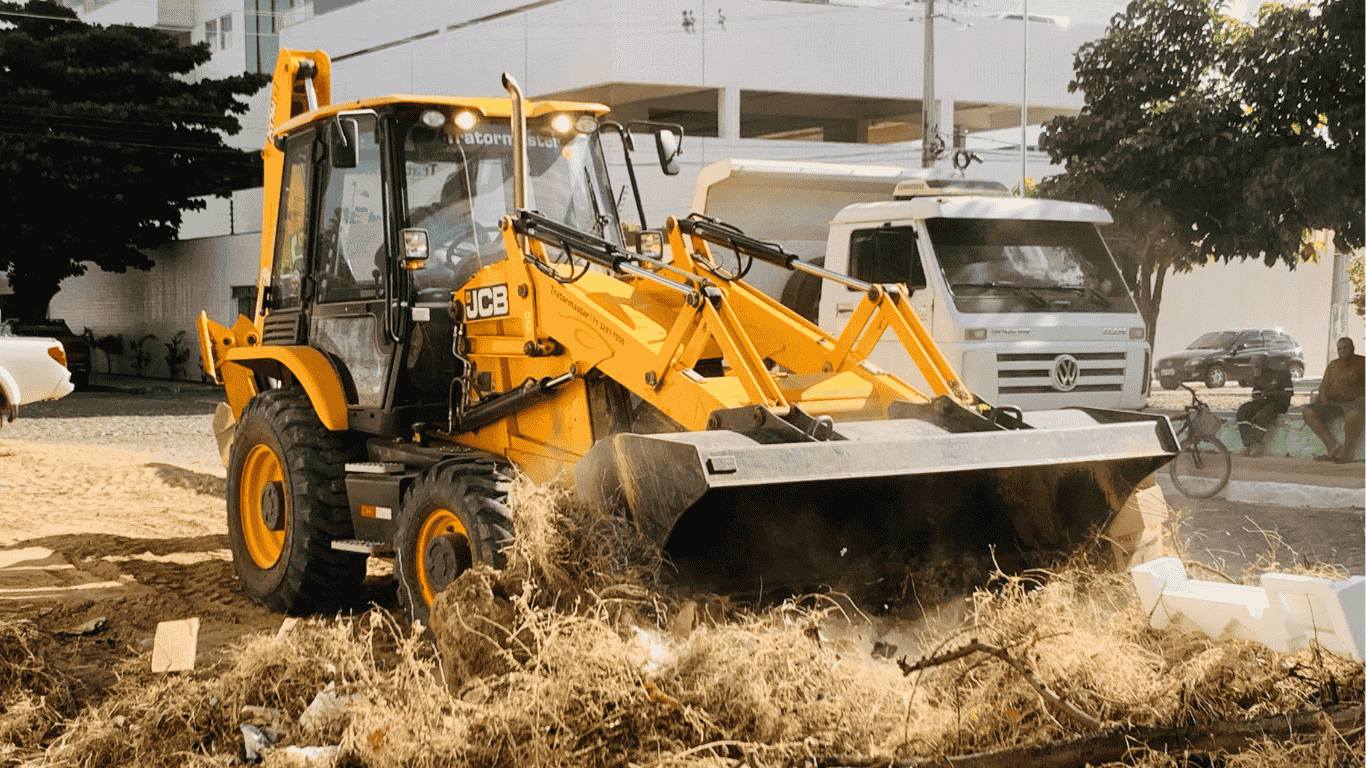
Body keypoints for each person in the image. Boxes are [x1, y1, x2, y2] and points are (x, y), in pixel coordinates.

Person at [1304, 337, 1365, 463]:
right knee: (1308, 412)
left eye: (1345, 348)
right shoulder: (1333, 365)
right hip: (1332, 403)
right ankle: (1332, 446)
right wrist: (1322, 397)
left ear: (1352, 348)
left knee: (1354, 416)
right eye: (1339, 349)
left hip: (1353, 403)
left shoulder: (1362, 363)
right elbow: (1324, 385)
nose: (1342, 351)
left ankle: (1346, 453)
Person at [1235, 354, 1292, 456]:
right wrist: (1258, 396)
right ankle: (1247, 445)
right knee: (1243, 410)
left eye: (1256, 366)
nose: (1255, 369)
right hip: (1263, 402)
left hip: (1279, 403)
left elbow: (1288, 393)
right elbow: (1256, 392)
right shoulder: (1259, 376)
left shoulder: (1283, 374)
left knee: (1263, 414)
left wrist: (1270, 394)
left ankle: (1257, 445)